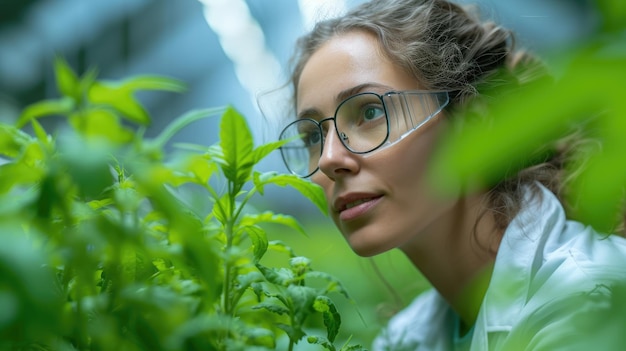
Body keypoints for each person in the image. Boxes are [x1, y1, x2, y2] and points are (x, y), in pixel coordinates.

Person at [276, 0, 626, 349]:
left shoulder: (587, 302)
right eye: (313, 137)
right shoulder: (405, 339)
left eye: (370, 111)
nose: (328, 159)